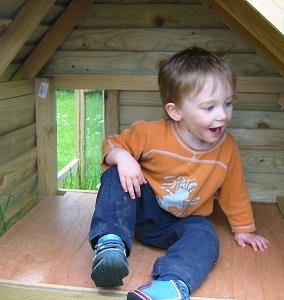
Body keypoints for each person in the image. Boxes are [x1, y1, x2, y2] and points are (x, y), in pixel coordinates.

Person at [88, 47, 269, 300]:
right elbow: (110, 146)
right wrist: (123, 157)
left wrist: (244, 229)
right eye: (210, 107)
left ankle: (171, 285)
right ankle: (110, 244)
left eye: (228, 103)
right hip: (139, 211)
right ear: (176, 112)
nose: (223, 114)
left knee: (206, 234)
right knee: (115, 174)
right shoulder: (149, 133)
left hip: (182, 222)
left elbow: (234, 192)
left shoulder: (227, 149)